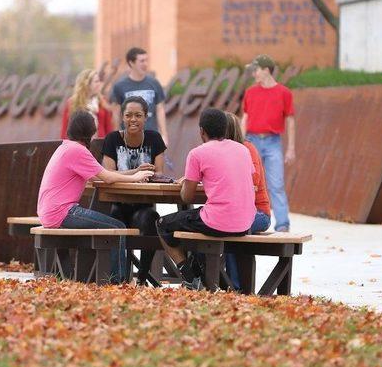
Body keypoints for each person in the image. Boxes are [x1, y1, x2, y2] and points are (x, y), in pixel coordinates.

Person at [38, 110, 153, 283]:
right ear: (89, 132)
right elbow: (106, 177)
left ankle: (112, 279)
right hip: (63, 213)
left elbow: (100, 174)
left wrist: (135, 171)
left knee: (114, 226)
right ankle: (117, 282)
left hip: (52, 212)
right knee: (118, 228)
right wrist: (134, 178)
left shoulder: (67, 147)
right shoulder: (78, 151)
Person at [155, 108, 256, 290]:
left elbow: (187, 196)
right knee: (190, 222)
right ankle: (199, 274)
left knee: (162, 224)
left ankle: (192, 278)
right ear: (225, 130)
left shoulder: (198, 153)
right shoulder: (243, 150)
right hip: (246, 223)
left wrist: (187, 181)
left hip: (218, 222)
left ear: (201, 131)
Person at [101, 96, 167, 285]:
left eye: (138, 115)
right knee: (113, 222)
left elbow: (159, 173)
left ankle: (142, 277)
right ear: (122, 117)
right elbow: (108, 174)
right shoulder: (112, 139)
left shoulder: (154, 139)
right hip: (118, 206)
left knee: (154, 220)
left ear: (146, 117)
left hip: (143, 206)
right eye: (128, 115)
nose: (133, 119)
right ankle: (117, 279)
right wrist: (137, 172)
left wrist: (150, 175)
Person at [241, 54, 295, 232]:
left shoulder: (284, 93)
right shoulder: (250, 92)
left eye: (255, 70)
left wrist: (291, 149)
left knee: (277, 183)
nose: (254, 73)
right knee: (249, 182)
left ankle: (282, 224)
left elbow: (290, 120)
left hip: (273, 142)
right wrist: (240, 143)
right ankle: (248, 219)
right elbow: (245, 118)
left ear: (266, 70)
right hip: (252, 140)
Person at [224, 111, 271, 290]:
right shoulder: (224, 152)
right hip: (234, 213)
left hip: (259, 213)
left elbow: (254, 182)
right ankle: (219, 281)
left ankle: (235, 287)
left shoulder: (247, 148)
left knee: (231, 228)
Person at [110, 47, 169, 146]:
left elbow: (160, 109)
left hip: (151, 136)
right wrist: (116, 136)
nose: (145, 64)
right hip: (128, 139)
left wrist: (164, 134)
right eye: (141, 61)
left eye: (146, 60)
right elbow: (116, 113)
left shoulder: (154, 83)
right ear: (131, 63)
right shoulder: (119, 86)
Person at [60, 69, 112, 139]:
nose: (99, 84)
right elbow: (65, 130)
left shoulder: (102, 101)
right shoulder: (72, 102)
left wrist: (110, 145)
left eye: (99, 81)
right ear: (86, 84)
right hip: (78, 145)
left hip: (101, 145)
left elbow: (108, 128)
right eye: (96, 81)